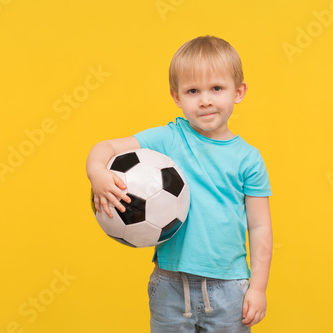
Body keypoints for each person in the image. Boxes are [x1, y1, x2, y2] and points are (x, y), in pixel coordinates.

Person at [86, 35, 273, 332]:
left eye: (217, 88)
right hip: (170, 285)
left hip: (230, 287)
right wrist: (97, 172)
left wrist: (258, 288)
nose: (205, 99)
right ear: (177, 97)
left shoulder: (249, 159)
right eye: (193, 90)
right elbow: (105, 147)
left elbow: (260, 227)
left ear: (238, 92)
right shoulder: (169, 138)